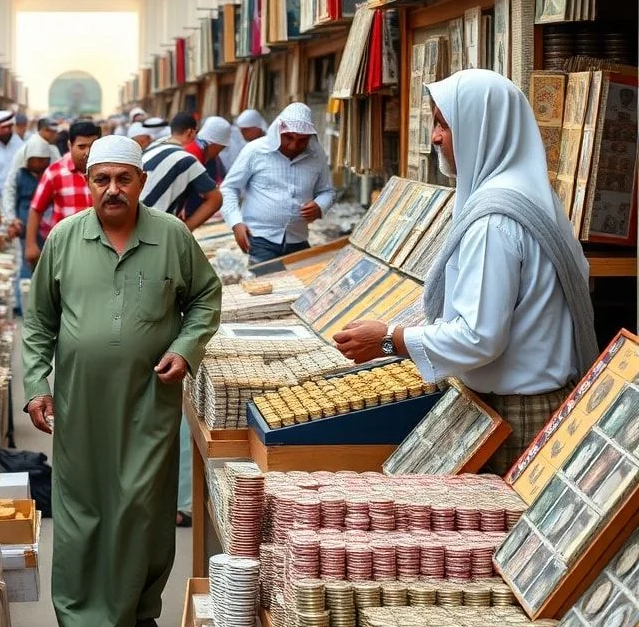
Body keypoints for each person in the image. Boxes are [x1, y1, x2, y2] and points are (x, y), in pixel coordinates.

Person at [334, 70, 600, 474]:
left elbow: (478, 337)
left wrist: (389, 339)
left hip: (514, 416)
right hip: (545, 403)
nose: (436, 137)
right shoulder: (536, 197)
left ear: (481, 126)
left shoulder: (494, 222)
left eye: (444, 123)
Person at [23, 136, 221, 627]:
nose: (113, 189)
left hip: (149, 398)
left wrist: (185, 348)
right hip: (79, 400)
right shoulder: (65, 238)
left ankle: (141, 611)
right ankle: (77, 617)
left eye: (123, 179)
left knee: (142, 505)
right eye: (101, 179)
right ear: (86, 182)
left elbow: (204, 298)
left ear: (141, 182)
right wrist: (37, 384)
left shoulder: (173, 236)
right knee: (80, 505)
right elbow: (39, 321)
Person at [221, 102, 334, 266]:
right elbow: (229, 188)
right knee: (266, 286)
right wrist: (236, 222)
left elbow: (327, 191)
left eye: (302, 140)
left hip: (298, 240)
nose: (293, 145)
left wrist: (319, 206)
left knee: (300, 287)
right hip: (260, 239)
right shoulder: (255, 150)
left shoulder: (316, 155)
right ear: (278, 130)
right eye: (288, 137)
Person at [24, 120, 101, 267]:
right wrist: (30, 245)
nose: (87, 152)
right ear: (69, 146)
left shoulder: (106, 172)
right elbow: (36, 209)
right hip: (64, 249)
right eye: (81, 146)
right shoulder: (55, 172)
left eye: (92, 146)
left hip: (98, 249)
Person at [140, 112, 223, 231]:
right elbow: (216, 199)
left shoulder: (152, 148)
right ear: (190, 132)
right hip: (156, 231)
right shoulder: (186, 159)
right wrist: (185, 230)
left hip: (132, 224)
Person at [1, 116, 62, 229]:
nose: (53, 134)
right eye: (49, 130)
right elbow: (10, 185)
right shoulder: (23, 152)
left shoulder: (53, 151)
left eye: (54, 131)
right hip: (25, 209)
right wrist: (11, 218)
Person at [14, 137, 54, 277]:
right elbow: (12, 194)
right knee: (27, 263)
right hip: (25, 226)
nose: (38, 163)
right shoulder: (20, 174)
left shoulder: (51, 175)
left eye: (42, 160)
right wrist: (12, 219)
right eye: (35, 160)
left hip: (47, 228)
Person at [185, 115, 232, 182]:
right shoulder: (190, 155)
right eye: (221, 148)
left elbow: (220, 180)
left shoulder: (214, 159)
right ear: (214, 144)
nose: (219, 152)